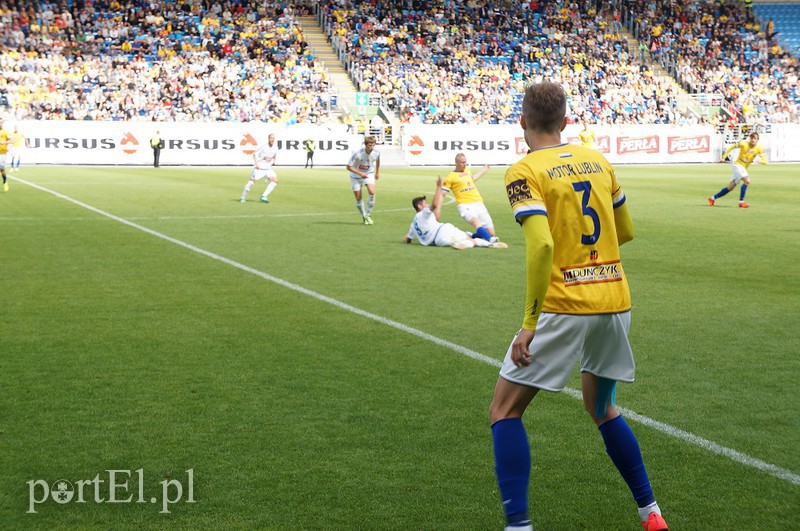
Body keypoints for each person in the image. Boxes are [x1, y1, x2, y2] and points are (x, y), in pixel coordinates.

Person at [489, 81, 669, 531]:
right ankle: (651, 513)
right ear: (566, 122)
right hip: (614, 300)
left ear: (523, 123)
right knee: (602, 407)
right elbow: (625, 231)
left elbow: (541, 246)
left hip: (565, 305)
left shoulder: (523, 171)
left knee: (505, 410)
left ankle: (518, 525)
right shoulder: (599, 160)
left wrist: (529, 323)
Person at [403, 177, 507, 250]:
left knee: (464, 237)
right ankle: (490, 244)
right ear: (419, 206)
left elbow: (408, 239)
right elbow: (434, 204)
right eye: (425, 203)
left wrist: (406, 238)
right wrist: (438, 187)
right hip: (443, 230)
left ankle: (466, 240)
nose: (427, 205)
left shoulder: (413, 224)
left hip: (438, 242)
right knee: (471, 240)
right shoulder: (424, 213)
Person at [442, 153, 502, 243]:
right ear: (456, 163)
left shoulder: (467, 170)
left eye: (465, 162)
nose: (464, 164)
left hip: (478, 203)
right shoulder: (450, 177)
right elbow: (443, 192)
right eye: (462, 162)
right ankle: (490, 240)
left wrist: (484, 169)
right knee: (475, 222)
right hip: (465, 204)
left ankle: (472, 236)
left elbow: (471, 179)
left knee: (491, 233)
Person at [709, 132, 766, 208]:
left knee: (730, 188)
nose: (753, 140)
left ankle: (712, 198)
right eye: (752, 138)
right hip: (737, 165)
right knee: (747, 181)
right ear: (750, 138)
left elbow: (765, 161)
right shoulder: (743, 144)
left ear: (757, 140)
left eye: (755, 138)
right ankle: (741, 202)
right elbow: (732, 147)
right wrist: (724, 157)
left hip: (743, 169)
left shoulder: (759, 149)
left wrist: (760, 161)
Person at [346, 136, 381, 225]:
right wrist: (360, 174)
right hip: (355, 176)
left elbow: (377, 161)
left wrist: (377, 172)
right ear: (365, 145)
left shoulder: (376, 152)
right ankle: (364, 216)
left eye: (373, 145)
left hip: (368, 173)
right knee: (358, 198)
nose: (372, 147)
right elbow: (348, 167)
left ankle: (368, 215)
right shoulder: (358, 154)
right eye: (370, 145)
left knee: (372, 192)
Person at [240, 134, 279, 203]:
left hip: (268, 168)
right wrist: (256, 164)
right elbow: (254, 154)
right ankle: (243, 197)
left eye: (273, 138)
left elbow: (275, 155)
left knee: (275, 180)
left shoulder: (275, 148)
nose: (272, 139)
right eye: (271, 138)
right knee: (251, 182)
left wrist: (274, 161)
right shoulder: (264, 147)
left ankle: (264, 196)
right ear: (268, 139)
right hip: (259, 168)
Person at [0, 120, 11, 192]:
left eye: (1, 123)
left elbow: (12, 140)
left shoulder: (5, 132)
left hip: (2, 153)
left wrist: (4, 142)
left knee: (2, 169)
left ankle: (5, 182)